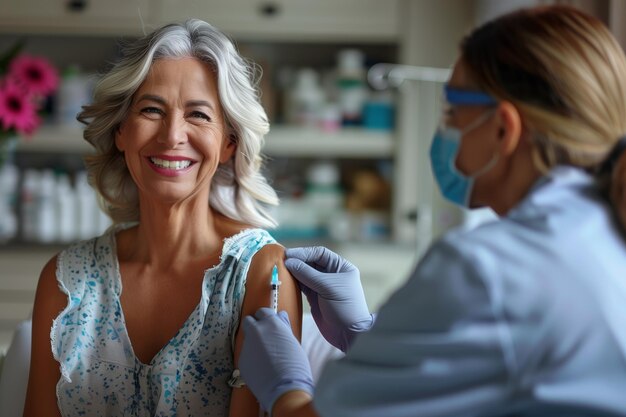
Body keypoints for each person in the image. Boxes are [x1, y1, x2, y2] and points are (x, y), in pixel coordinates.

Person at [238, 5, 626, 417]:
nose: (445, 132)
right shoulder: (599, 226)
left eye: (452, 114)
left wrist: (286, 388)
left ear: (503, 129)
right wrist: (365, 336)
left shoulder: (487, 269)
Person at [23, 19, 302, 417]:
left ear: (228, 143)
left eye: (199, 115)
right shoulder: (67, 280)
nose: (172, 136)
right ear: (121, 132)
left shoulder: (260, 273)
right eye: (152, 109)